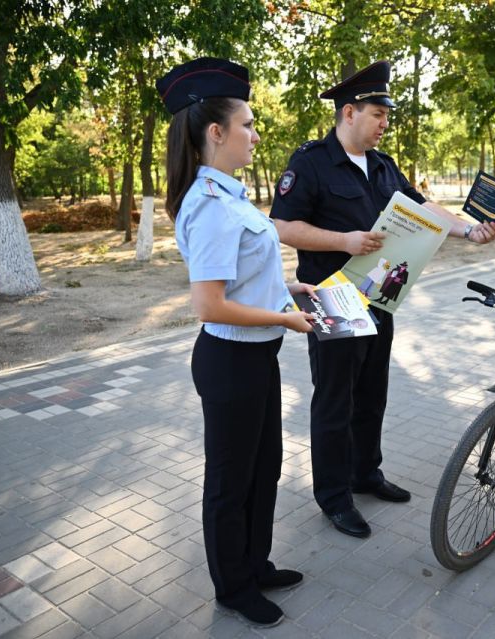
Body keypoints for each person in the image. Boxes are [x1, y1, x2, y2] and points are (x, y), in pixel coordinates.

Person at [271, 60, 495, 538]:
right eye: (378, 114)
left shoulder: (382, 165)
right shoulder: (310, 162)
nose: (384, 124)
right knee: (335, 401)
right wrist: (345, 241)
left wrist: (468, 229)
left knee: (372, 393)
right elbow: (282, 226)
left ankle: (364, 474)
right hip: (331, 296)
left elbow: (422, 208)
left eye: (386, 116)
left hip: (378, 297)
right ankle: (333, 496)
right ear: (349, 112)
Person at [156, 57, 315, 626]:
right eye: (247, 124)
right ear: (216, 132)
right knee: (230, 480)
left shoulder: (232, 196)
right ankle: (233, 587)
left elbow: (245, 277)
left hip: (255, 357)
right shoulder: (212, 206)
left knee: (263, 466)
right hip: (230, 361)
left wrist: (291, 289)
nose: (255, 133)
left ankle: (255, 562)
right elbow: (209, 305)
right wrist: (290, 320)